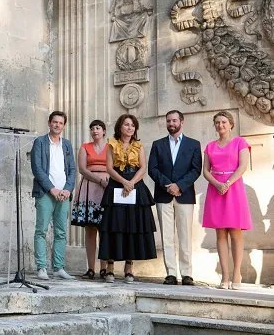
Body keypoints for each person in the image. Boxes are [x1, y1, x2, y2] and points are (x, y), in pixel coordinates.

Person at [98, 114, 156, 283]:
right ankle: (110, 267)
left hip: (135, 185)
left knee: (132, 225)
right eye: (126, 125)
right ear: (120, 127)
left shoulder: (138, 145)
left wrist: (130, 183)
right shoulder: (111, 144)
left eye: (132, 125)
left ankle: (129, 267)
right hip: (117, 184)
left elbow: (143, 167)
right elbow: (109, 168)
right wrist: (124, 182)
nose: (130, 128)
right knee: (114, 225)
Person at [148, 110, 201, 286]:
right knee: (167, 237)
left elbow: (196, 170)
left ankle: (187, 273)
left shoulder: (193, 144)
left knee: (185, 236)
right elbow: (153, 169)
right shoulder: (158, 144)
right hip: (164, 195)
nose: (171, 123)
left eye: (174, 120)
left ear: (182, 122)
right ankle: (170, 273)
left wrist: (179, 186)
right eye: (168, 121)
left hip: (184, 195)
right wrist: (168, 185)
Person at [202, 111, 252, 290]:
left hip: (234, 188)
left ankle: (237, 273)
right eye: (217, 122)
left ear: (231, 124)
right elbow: (206, 171)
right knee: (220, 233)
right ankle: (225, 275)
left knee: (235, 231)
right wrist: (217, 184)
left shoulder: (240, 142)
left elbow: (243, 166)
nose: (220, 125)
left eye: (224, 122)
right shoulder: (209, 146)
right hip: (216, 190)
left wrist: (228, 183)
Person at [31, 111, 76, 280]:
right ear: (49, 123)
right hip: (45, 193)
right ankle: (41, 267)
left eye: (61, 123)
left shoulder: (66, 145)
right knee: (41, 231)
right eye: (55, 122)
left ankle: (58, 268)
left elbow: (72, 170)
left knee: (61, 232)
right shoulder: (40, 142)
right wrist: (52, 189)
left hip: (64, 194)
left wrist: (67, 189)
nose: (57, 125)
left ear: (64, 126)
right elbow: (37, 169)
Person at [72, 120, 109, 280]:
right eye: (92, 128)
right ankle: (91, 268)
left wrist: (107, 182)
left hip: (107, 188)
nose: (95, 131)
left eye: (98, 128)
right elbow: (82, 169)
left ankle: (105, 268)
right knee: (90, 229)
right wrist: (99, 180)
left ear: (104, 131)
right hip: (89, 187)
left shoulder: (111, 147)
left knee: (105, 229)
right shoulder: (84, 147)